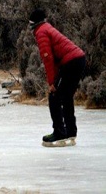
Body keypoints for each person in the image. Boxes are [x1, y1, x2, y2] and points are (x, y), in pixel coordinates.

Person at [29, 8, 86, 147]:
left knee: (54, 96)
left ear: (33, 23)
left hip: (70, 62)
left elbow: (48, 59)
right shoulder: (47, 27)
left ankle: (59, 132)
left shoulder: (41, 32)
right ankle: (70, 131)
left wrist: (51, 83)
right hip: (78, 59)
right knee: (66, 96)